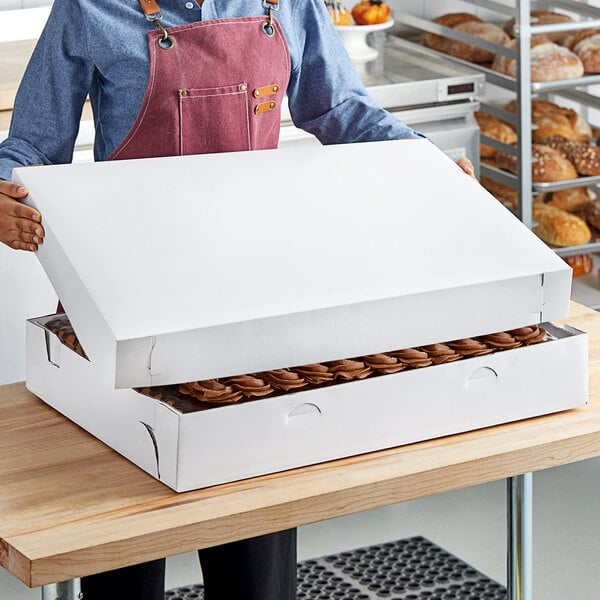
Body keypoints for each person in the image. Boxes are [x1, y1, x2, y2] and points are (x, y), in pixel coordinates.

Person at [0, 0, 474, 598]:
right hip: (118, 302)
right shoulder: (89, 8)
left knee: (257, 560)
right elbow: (34, 143)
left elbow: (340, 109)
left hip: (248, 305)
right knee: (121, 550)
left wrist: (422, 162)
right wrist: (2, 193)